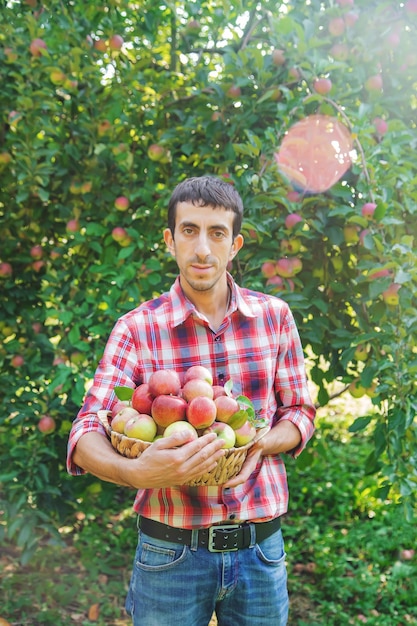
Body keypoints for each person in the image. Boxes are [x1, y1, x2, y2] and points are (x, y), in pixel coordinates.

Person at [67, 175, 316, 626]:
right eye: (189, 230)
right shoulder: (137, 329)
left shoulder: (275, 317)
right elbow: (85, 430)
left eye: (217, 233)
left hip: (260, 548)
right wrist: (133, 471)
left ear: (235, 244)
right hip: (170, 552)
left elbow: (300, 411)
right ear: (170, 239)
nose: (203, 248)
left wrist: (261, 443)